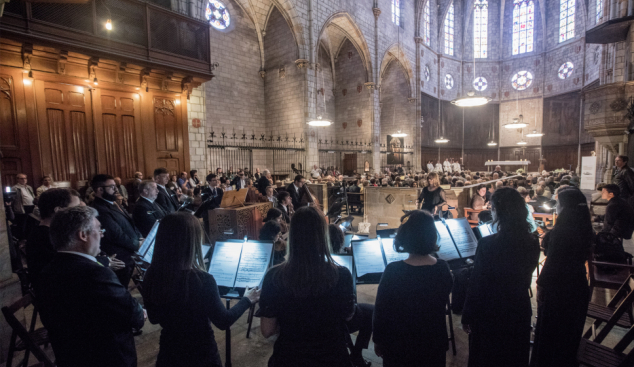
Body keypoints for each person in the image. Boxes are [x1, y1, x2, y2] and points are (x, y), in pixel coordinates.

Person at [142, 212, 259, 367]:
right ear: (192, 242)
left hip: (169, 353)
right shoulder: (202, 280)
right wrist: (247, 299)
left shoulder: (152, 274)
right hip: (201, 354)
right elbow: (223, 321)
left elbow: (154, 318)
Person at [37, 206, 146, 367]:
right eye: (98, 229)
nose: (102, 234)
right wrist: (140, 312)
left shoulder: (48, 270)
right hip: (106, 357)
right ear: (82, 235)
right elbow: (132, 315)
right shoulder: (96, 274)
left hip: (70, 356)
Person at [257, 206, 355, 367]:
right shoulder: (341, 274)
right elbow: (348, 316)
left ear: (293, 235)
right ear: (322, 235)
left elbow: (267, 331)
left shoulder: (274, 276)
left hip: (290, 357)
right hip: (332, 356)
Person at [462, 187, 540, 367]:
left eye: (493, 208)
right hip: (518, 308)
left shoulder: (488, 244)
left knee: (487, 358)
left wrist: (467, 315)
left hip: (491, 312)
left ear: (499, 211)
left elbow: (477, 284)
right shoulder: (532, 242)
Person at [373, 210, 453, 367]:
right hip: (432, 343)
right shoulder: (443, 269)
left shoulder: (393, 270)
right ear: (432, 236)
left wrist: (378, 340)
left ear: (405, 237)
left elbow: (381, 311)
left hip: (399, 345)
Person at [531, 189, 593, 367]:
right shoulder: (583, 227)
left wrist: (541, 285)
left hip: (559, 288)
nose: (556, 208)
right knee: (567, 337)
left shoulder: (563, 231)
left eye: (559, 204)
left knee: (551, 336)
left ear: (566, 207)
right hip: (578, 285)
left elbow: (554, 263)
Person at [90, 174, 142, 287]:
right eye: (112, 187)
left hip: (128, 255)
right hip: (119, 258)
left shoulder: (113, 203)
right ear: (100, 189)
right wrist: (137, 244)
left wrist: (140, 237)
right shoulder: (99, 209)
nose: (116, 189)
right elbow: (116, 235)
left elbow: (130, 223)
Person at [11, 173, 36, 240]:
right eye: (21, 178)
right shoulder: (15, 188)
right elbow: (13, 199)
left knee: (30, 224)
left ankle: (29, 238)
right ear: (18, 179)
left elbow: (32, 196)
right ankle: (22, 239)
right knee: (22, 225)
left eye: (25, 178)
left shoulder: (29, 187)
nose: (24, 180)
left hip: (31, 207)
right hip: (22, 208)